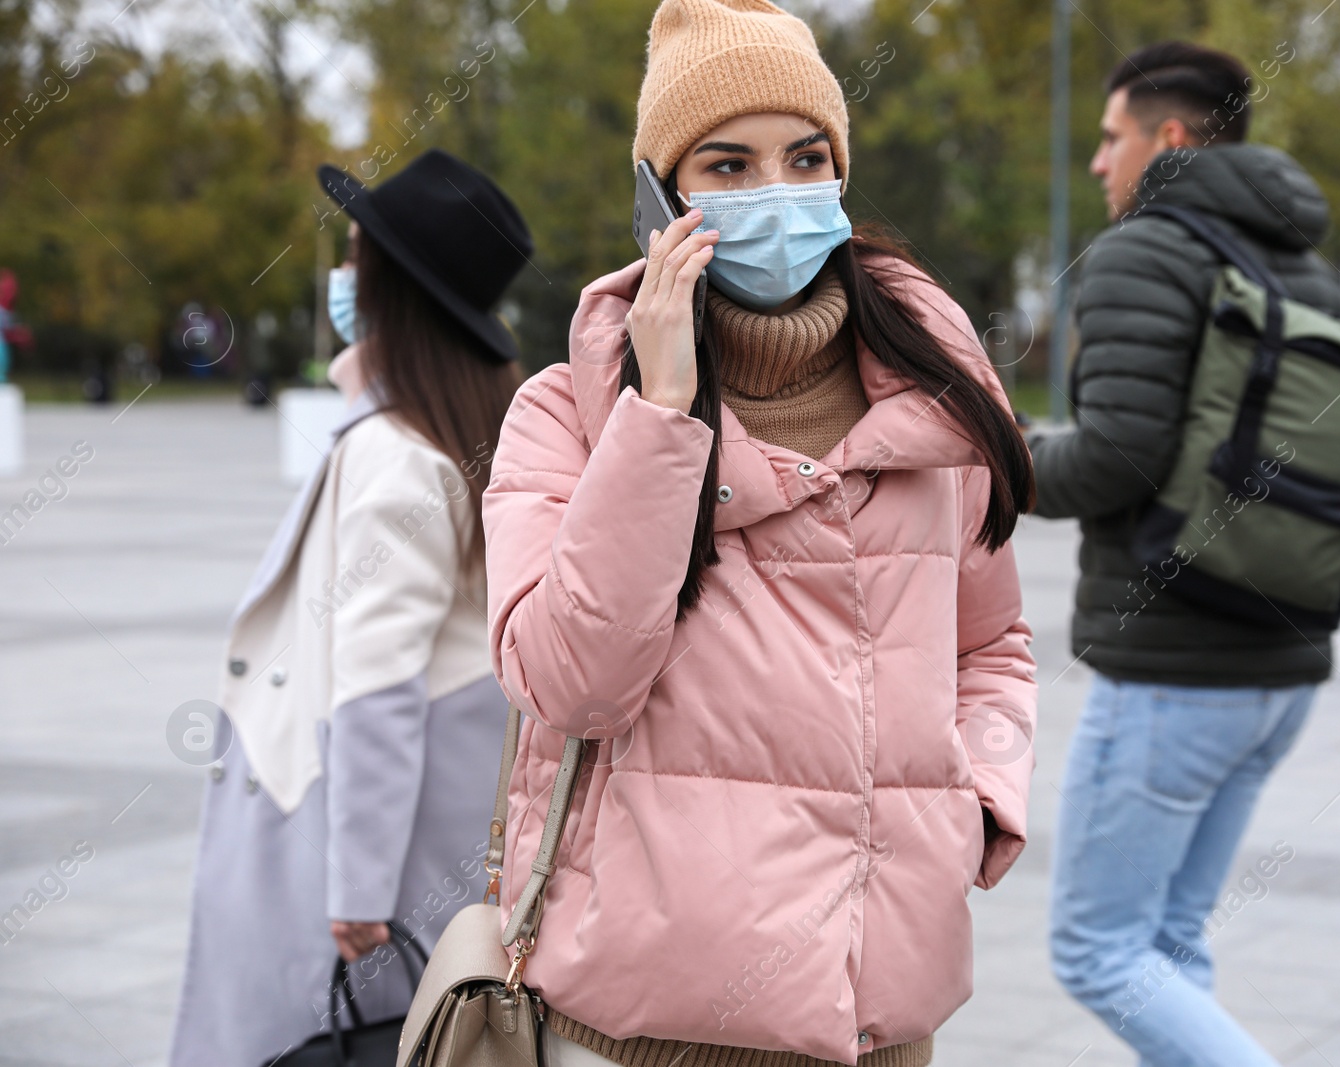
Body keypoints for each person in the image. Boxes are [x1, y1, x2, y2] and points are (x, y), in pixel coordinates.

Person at [482, 2, 1038, 1064]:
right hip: (646, 1026)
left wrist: (974, 801)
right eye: (726, 167)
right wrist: (660, 412)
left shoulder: (936, 397)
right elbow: (572, 682)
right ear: (658, 197)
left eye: (805, 157)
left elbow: (992, 644)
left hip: (880, 1016)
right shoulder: (567, 413)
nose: (774, 193)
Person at [168, 149, 532, 1067]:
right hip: (441, 828)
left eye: (355, 256)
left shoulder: (394, 449)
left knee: (318, 1040)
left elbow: (378, 689)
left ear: (391, 286)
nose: (342, 275)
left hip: (359, 845)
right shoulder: (472, 423)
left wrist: (357, 890)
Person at [1029, 41, 1340, 1067]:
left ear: (1166, 139)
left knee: (1095, 949)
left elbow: (1115, 457)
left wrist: (998, 456)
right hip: (1280, 665)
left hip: (1173, 670)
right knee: (1163, 944)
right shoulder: (1307, 268)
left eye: (1109, 136)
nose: (1096, 163)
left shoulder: (1143, 252)